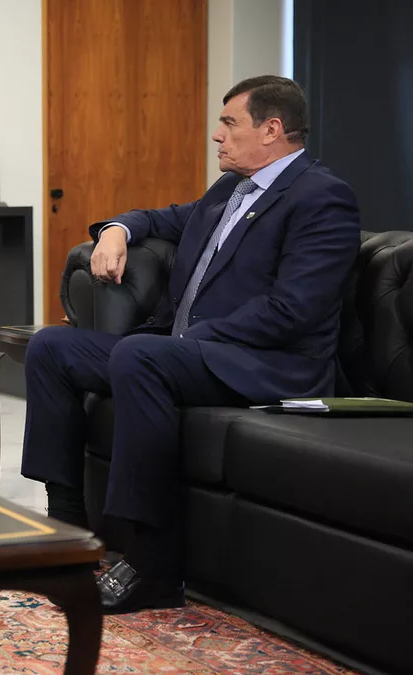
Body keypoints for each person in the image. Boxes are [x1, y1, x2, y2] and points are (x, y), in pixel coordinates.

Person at [21, 76, 361, 614]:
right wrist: (116, 231)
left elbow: (293, 311)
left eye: (229, 123)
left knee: (140, 354)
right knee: (52, 347)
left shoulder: (322, 198)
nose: (216, 135)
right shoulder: (229, 190)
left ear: (271, 130)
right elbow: (158, 219)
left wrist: (191, 339)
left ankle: (154, 565)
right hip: (189, 353)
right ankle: (65, 531)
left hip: (267, 364)